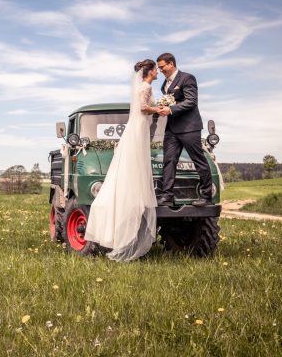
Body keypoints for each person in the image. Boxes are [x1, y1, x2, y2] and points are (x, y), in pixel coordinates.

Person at [84, 59, 160, 261]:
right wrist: (159, 109)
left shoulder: (144, 86)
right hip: (138, 128)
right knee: (135, 163)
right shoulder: (145, 87)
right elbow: (144, 108)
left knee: (133, 164)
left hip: (139, 128)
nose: (158, 72)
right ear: (149, 71)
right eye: (156, 69)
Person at [155, 53, 213, 207]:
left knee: (198, 161)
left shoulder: (187, 78)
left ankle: (206, 196)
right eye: (159, 68)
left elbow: (191, 102)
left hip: (189, 128)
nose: (160, 70)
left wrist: (170, 109)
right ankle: (167, 197)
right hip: (172, 130)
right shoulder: (164, 85)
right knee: (169, 161)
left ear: (171, 64)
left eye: (162, 67)